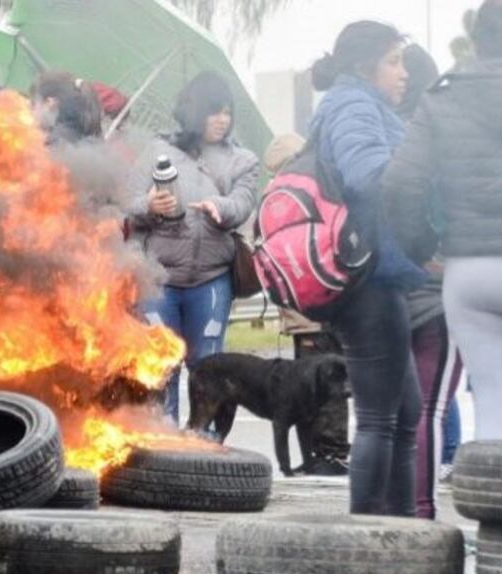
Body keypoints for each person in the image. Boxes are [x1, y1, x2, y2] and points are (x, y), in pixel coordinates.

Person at [384, 0, 502, 442]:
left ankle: (496, 514)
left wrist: (423, 247)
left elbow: (399, 183)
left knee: (493, 407)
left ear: (476, 40)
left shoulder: (441, 99)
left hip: (471, 270)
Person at [310, 21, 426, 516]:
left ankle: (400, 531)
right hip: (368, 280)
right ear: (365, 66)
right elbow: (366, 174)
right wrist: (423, 173)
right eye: (394, 61)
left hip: (379, 275)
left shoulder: (359, 103)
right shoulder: (354, 104)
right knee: (380, 417)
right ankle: (373, 537)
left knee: (405, 413)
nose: (403, 73)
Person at [125, 71, 260, 424]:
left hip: (212, 280)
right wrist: (149, 205)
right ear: (194, 111)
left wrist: (222, 208)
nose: (222, 119)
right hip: (160, 280)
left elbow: (244, 201)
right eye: (214, 111)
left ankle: (207, 445)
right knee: (160, 365)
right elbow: (128, 202)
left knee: (209, 368)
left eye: (227, 112)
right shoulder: (155, 152)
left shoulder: (242, 160)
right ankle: (166, 440)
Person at [399, 43, 464, 519]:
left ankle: (386, 510)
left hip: (387, 288)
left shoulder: (385, 131)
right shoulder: (443, 137)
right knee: (430, 408)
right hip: (436, 288)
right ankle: (421, 511)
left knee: (385, 412)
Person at [265, 132, 349, 475]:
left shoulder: (285, 195)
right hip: (317, 309)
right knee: (315, 387)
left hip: (309, 310)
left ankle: (328, 455)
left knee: (323, 385)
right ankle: (321, 456)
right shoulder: (321, 186)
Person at [30, 71, 103, 145]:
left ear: (50, 102)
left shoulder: (56, 142)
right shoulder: (87, 126)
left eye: (33, 105)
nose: (32, 112)